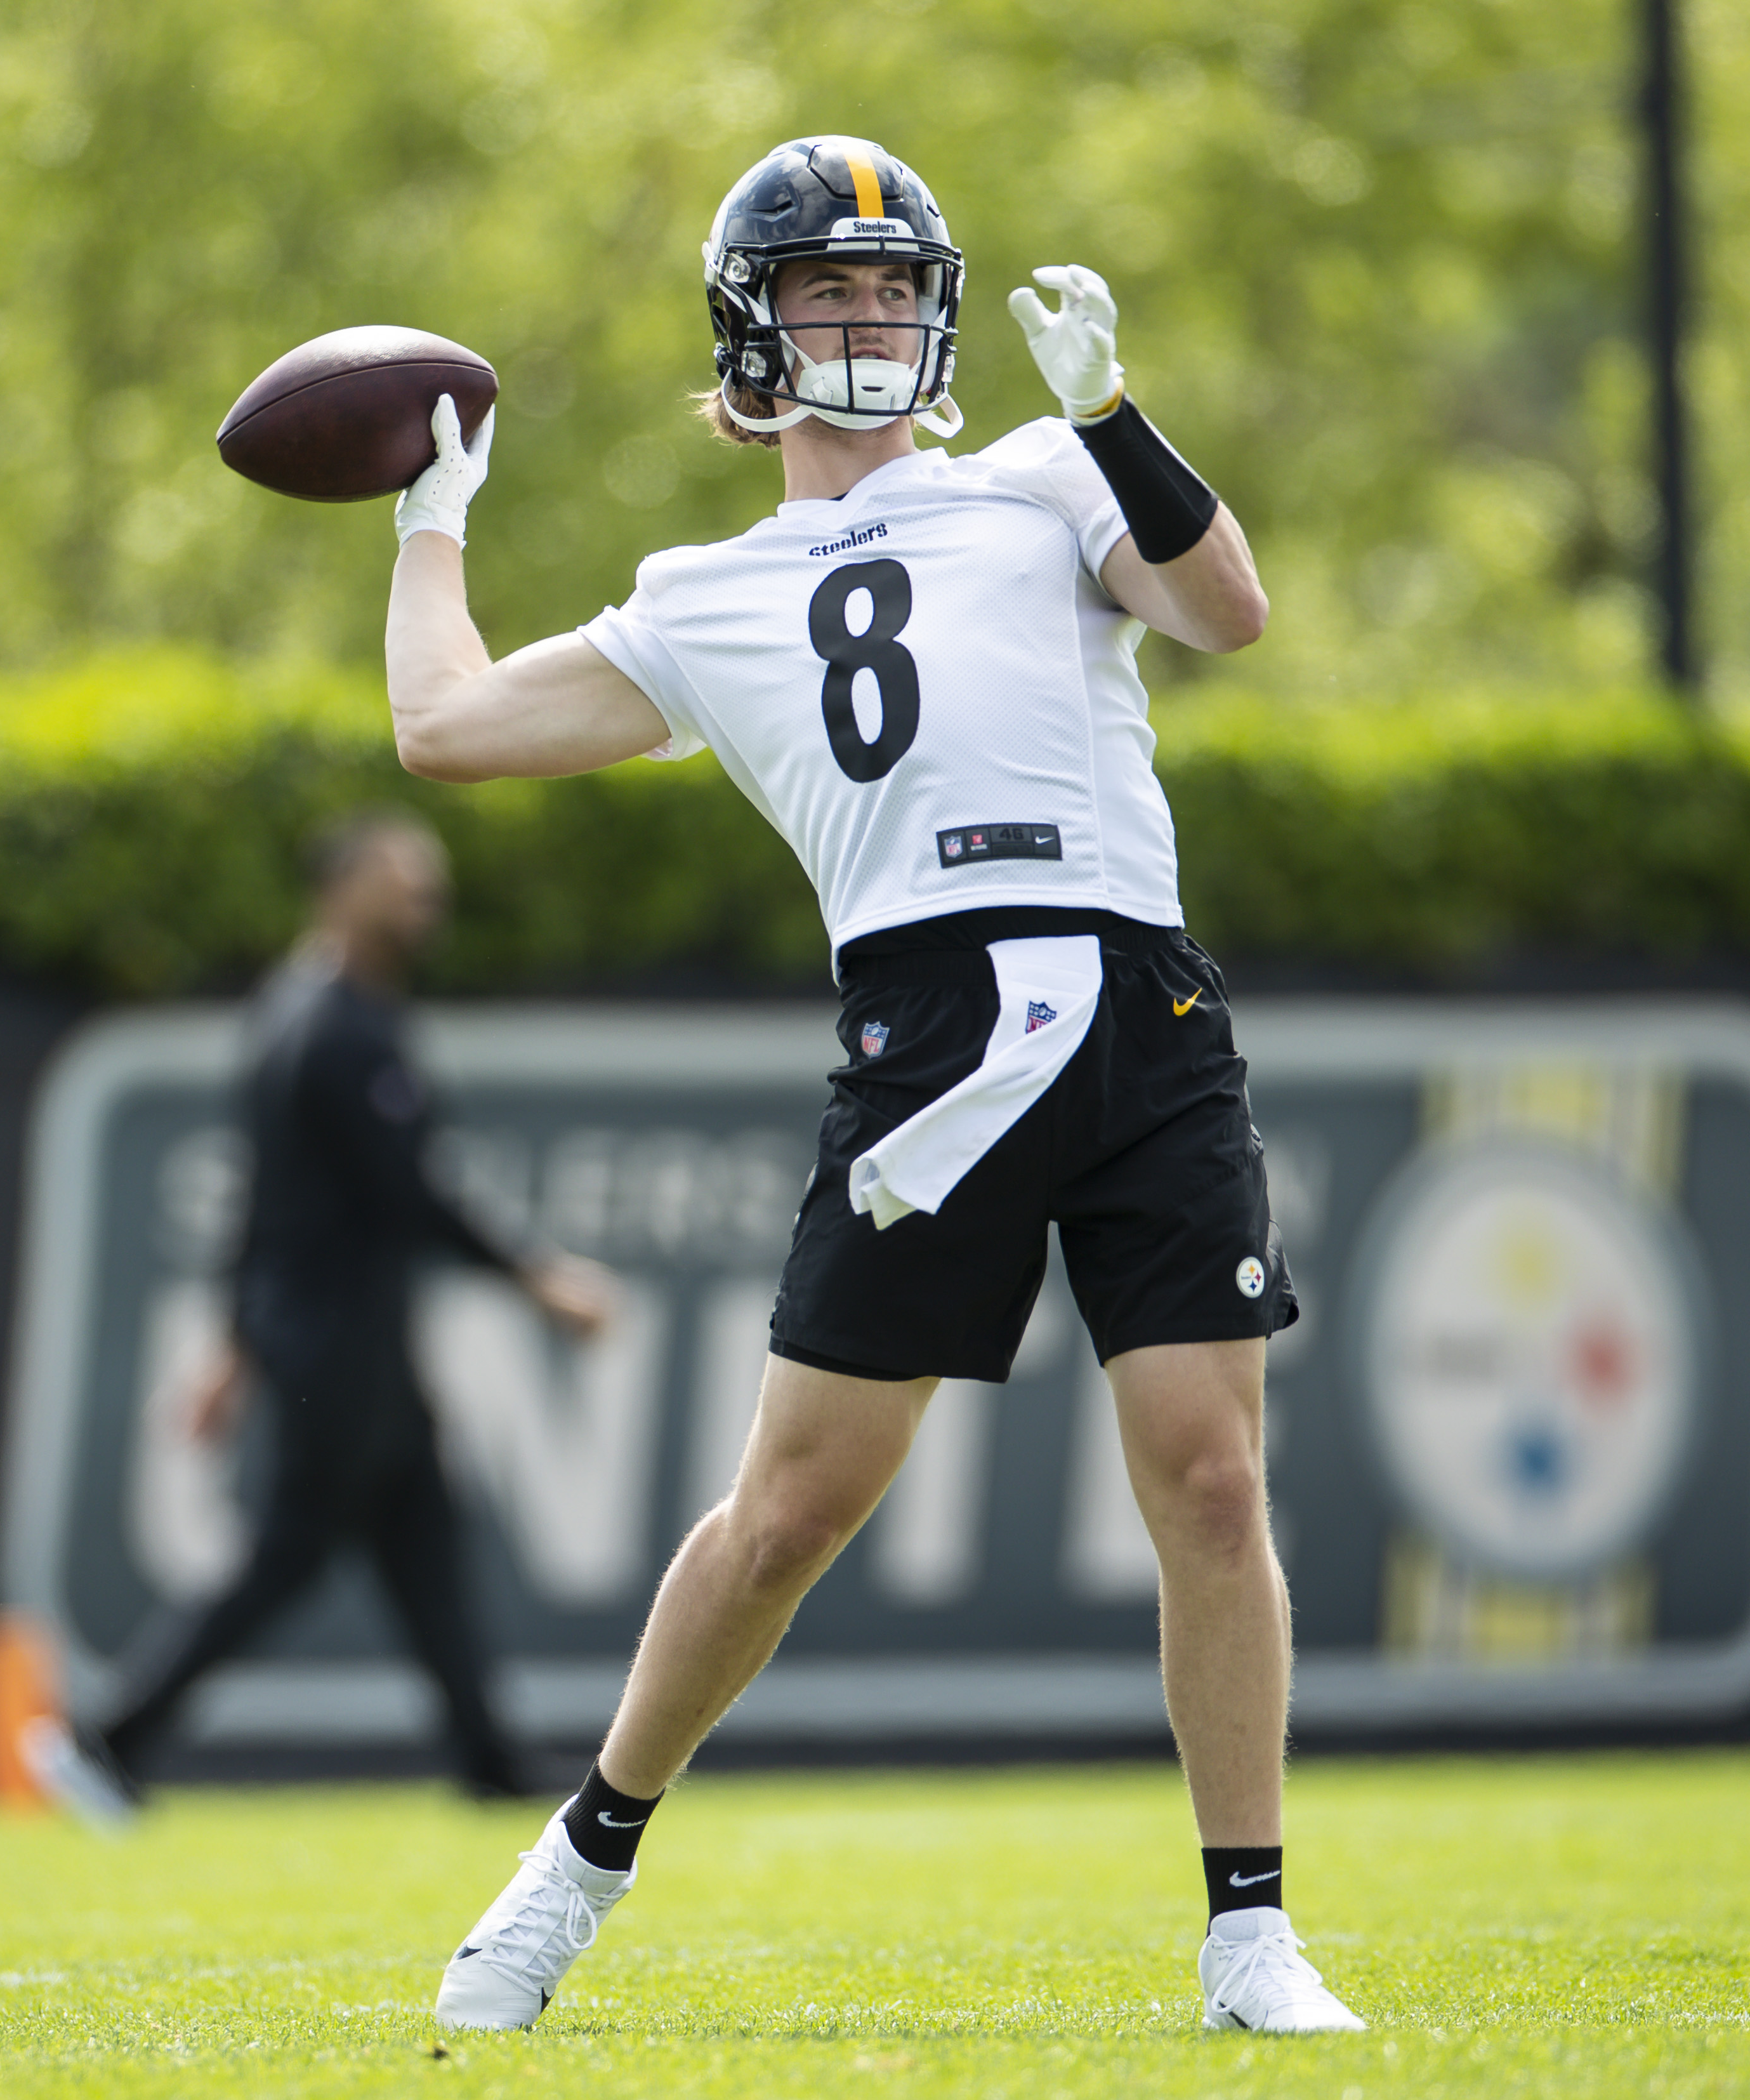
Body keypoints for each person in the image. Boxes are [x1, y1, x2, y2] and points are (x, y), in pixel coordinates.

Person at [382, 136, 1364, 2035]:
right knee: (787, 1512)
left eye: (896, 290)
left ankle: (1248, 1924)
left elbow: (1227, 612)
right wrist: (432, 513)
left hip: (1134, 1002)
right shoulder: (701, 588)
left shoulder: (1038, 475)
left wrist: (1118, 411)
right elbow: (444, 724)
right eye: (831, 294)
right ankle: (572, 1861)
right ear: (750, 334)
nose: (873, 320)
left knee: (1211, 1468)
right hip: (920, 1038)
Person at [30, 808, 617, 1821]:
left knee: (424, 1536)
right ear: (342, 887)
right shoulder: (337, 1029)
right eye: (404, 882)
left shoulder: (302, 1011)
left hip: (352, 1341)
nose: (426, 902)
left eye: (431, 884)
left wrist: (229, 1345)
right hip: (334, 1343)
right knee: (289, 1553)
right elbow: (410, 1193)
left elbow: (262, 1203)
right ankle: (107, 1738)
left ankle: (487, 1760)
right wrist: (540, 1275)